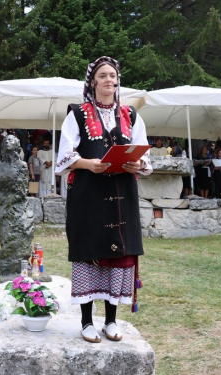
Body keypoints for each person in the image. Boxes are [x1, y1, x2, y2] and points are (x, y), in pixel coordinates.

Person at [55, 56, 151, 343]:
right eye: (103, 76)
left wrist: (137, 165)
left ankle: (110, 321)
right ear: (93, 82)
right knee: (88, 253)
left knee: (117, 256)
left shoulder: (130, 115)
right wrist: (87, 163)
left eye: (113, 76)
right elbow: (63, 157)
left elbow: (145, 157)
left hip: (122, 197)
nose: (109, 80)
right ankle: (86, 322)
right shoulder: (77, 113)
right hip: (88, 197)